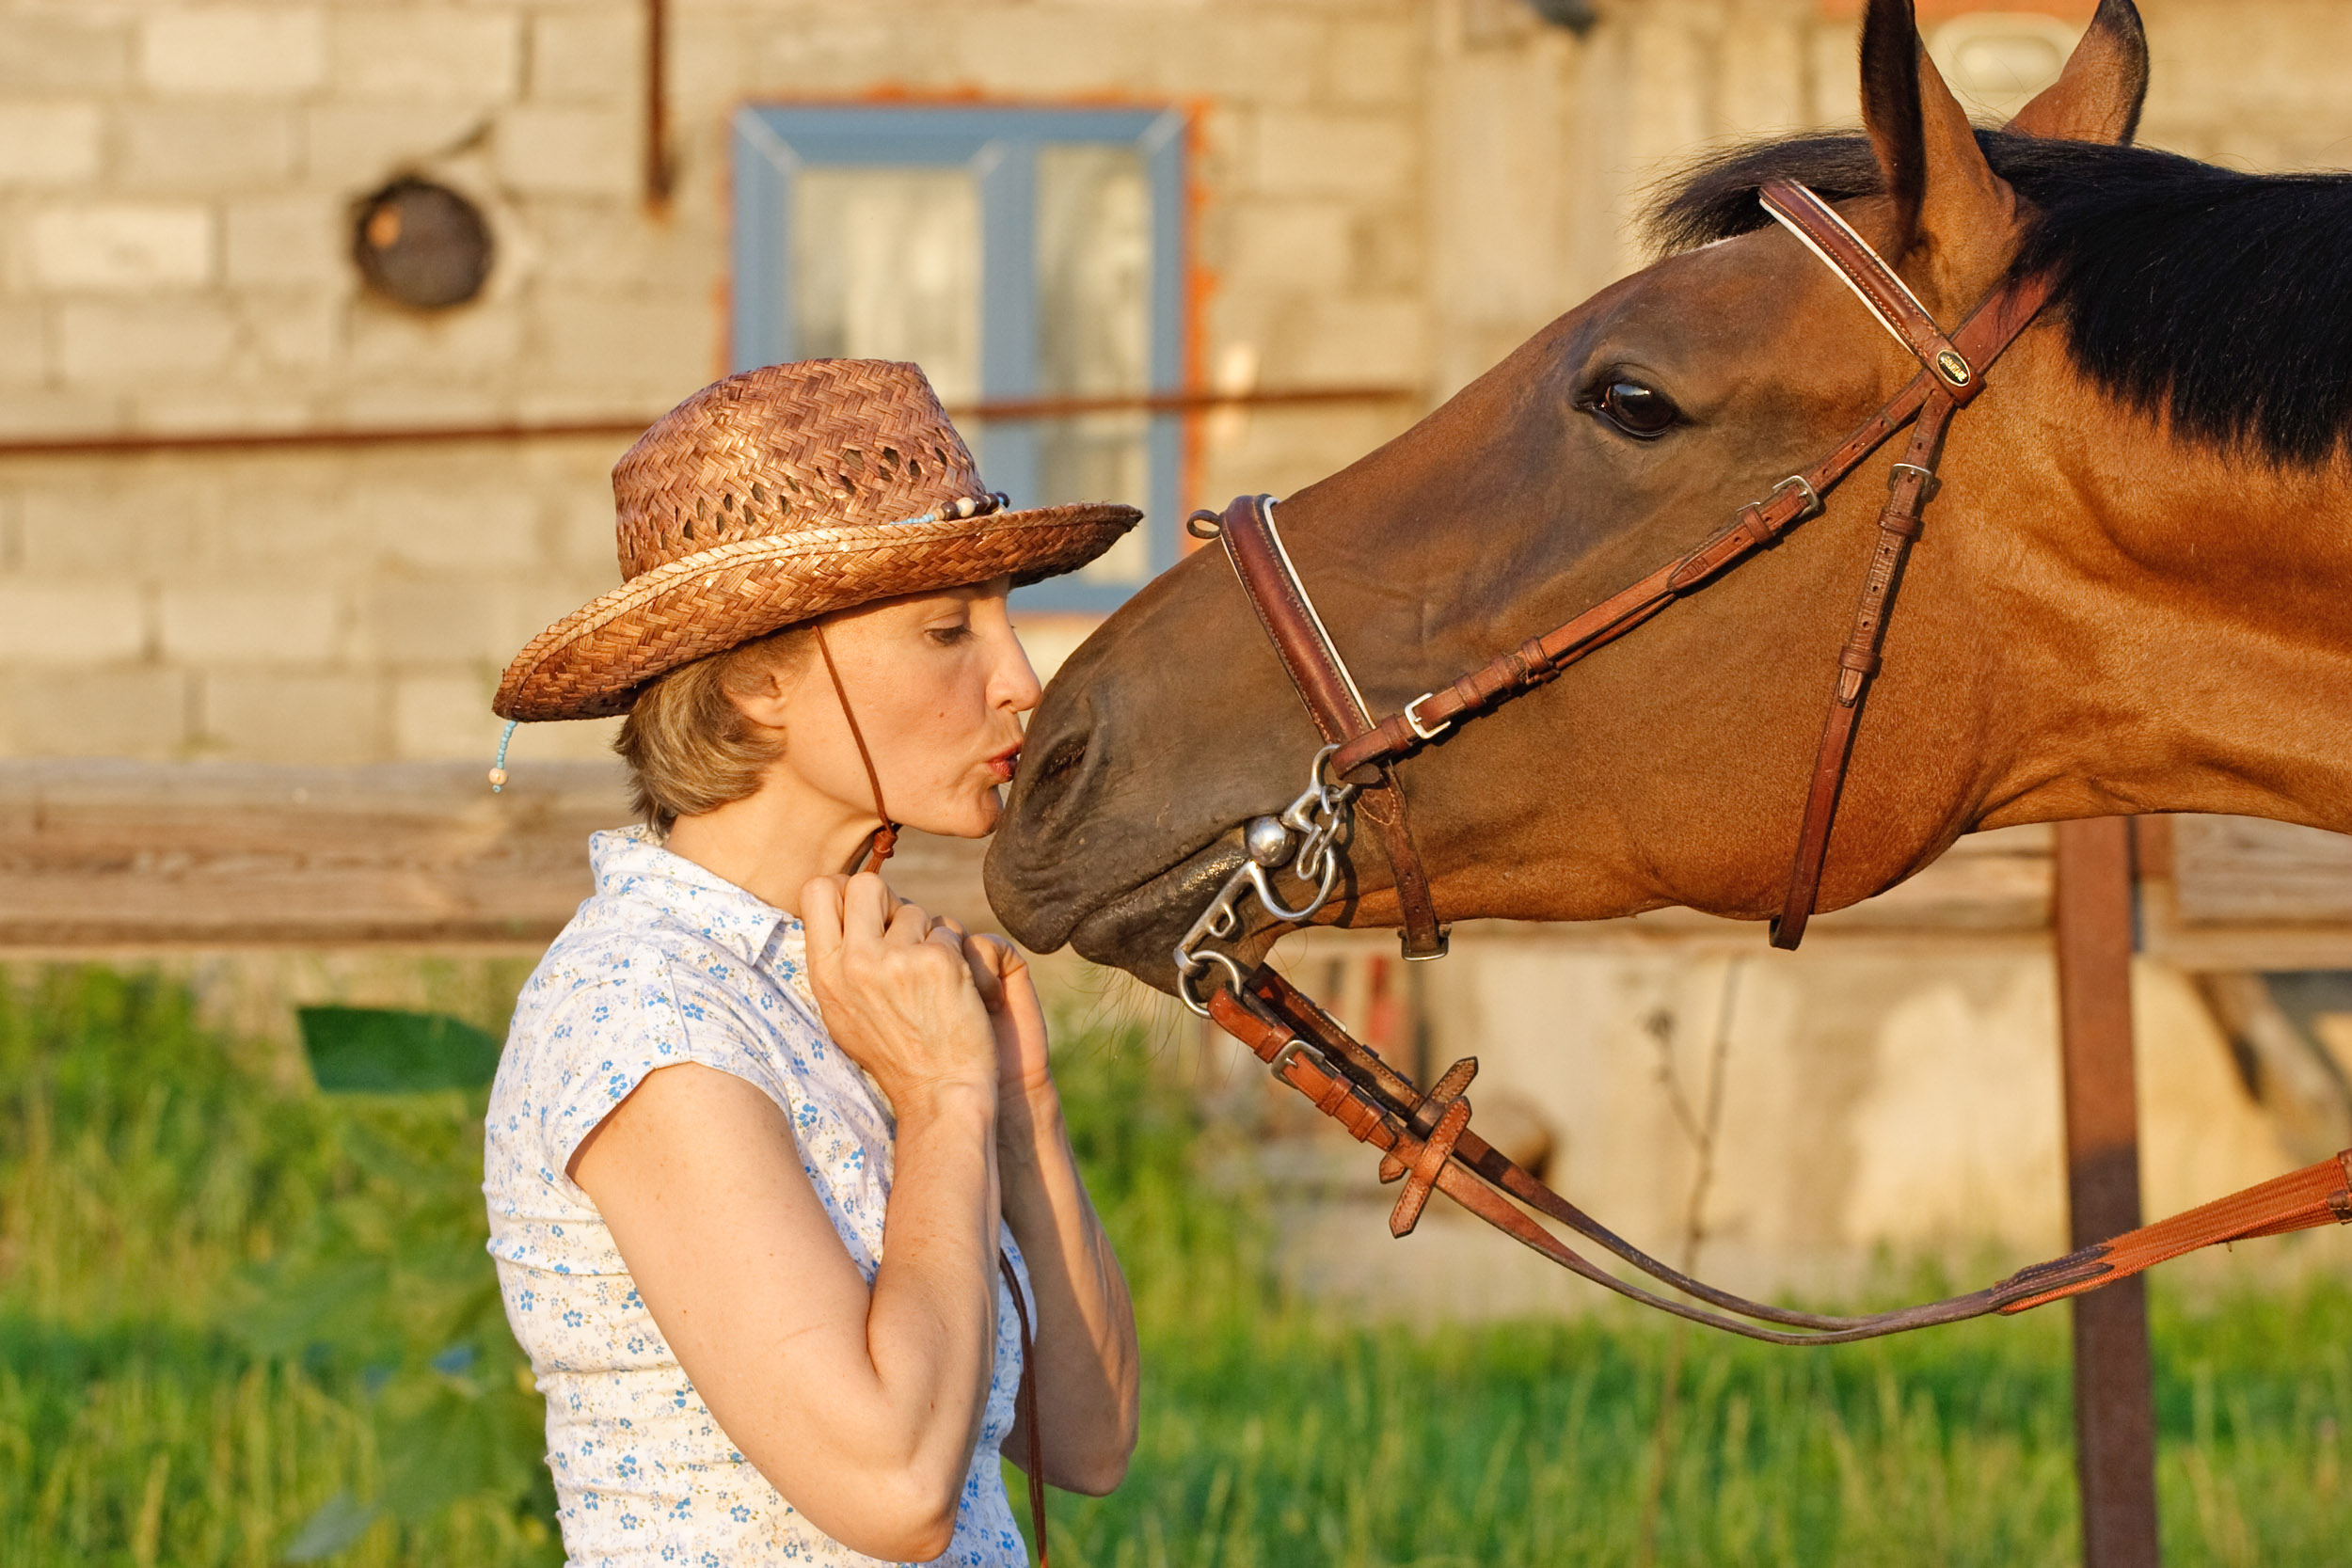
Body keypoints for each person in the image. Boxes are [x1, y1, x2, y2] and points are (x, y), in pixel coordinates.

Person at [482, 359, 1144, 1566]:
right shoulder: (640, 1009)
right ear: (755, 679)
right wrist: (940, 1100)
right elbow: (891, 1487)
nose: (1019, 684)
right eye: (949, 630)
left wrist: (1015, 1109)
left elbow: (1087, 1442)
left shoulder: (862, 987)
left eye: (1002, 617)